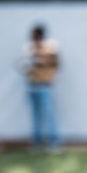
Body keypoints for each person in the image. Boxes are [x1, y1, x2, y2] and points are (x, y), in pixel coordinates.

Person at [22, 24, 61, 153]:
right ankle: (36, 143)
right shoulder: (29, 47)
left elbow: (56, 63)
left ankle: (54, 143)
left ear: (40, 34)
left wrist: (43, 61)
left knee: (49, 116)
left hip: (45, 86)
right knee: (35, 117)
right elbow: (25, 65)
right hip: (32, 85)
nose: (32, 37)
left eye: (34, 34)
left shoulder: (50, 46)